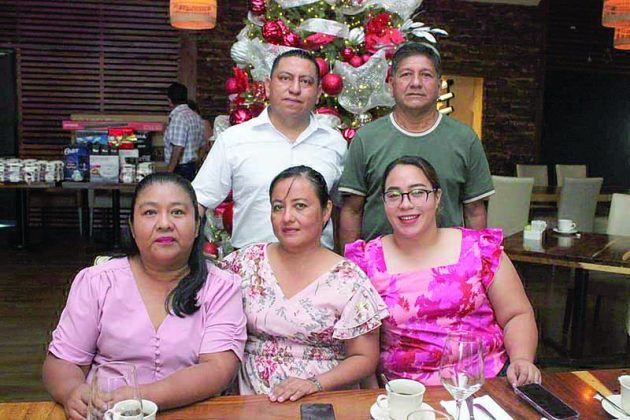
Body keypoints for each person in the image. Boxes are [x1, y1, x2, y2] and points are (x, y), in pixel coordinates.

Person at [42, 173, 247, 419]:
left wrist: (139, 396)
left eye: (177, 212)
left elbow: (218, 369)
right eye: (150, 212)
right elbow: (64, 362)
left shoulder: (221, 287)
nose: (164, 224)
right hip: (108, 413)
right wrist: (72, 392)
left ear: (196, 226)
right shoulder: (97, 282)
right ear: (132, 226)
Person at [345, 156, 540, 387]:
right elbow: (360, 348)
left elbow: (516, 314)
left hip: (485, 383)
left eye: (418, 192)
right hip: (405, 393)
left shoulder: (479, 249)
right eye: (394, 195)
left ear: (437, 197)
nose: (405, 204)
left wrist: (521, 359)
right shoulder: (366, 261)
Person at [221, 166, 388, 402]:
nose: (287, 217)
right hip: (249, 400)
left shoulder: (348, 279)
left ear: (326, 210)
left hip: (322, 400)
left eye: (300, 206)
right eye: (278, 207)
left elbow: (364, 358)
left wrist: (314, 384)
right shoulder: (245, 263)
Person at [339, 42, 494, 248]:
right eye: (406, 74)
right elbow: (352, 210)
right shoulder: (366, 138)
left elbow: (474, 211)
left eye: (426, 75)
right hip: (379, 262)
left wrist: (478, 261)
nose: (416, 83)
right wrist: (351, 264)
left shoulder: (465, 139)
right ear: (391, 84)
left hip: (446, 262)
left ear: (439, 85)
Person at [192, 49, 347, 250]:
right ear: (267, 86)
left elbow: (343, 209)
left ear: (318, 93)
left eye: (306, 81)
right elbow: (198, 201)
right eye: (285, 78)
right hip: (251, 263)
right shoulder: (234, 140)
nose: (295, 89)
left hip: (316, 264)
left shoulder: (334, 143)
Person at [163, 83, 205, 181]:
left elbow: (178, 147)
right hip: (191, 167)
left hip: (180, 170)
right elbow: (203, 145)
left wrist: (168, 174)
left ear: (169, 100)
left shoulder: (179, 117)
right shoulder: (195, 116)